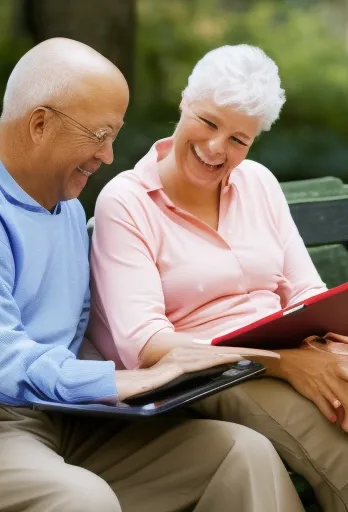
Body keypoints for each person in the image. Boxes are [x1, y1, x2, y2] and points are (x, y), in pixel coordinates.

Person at [0, 38, 304, 512]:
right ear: (40, 123)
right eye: (99, 135)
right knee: (81, 500)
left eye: (114, 136)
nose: (108, 156)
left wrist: (158, 379)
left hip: (46, 416)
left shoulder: (64, 208)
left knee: (238, 453)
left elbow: (74, 333)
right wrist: (110, 382)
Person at [87, 44, 348, 512]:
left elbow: (306, 292)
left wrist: (327, 350)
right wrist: (284, 362)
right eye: (208, 122)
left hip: (288, 353)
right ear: (184, 104)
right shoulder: (126, 202)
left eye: (238, 140)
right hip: (207, 378)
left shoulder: (260, 184)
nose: (215, 148)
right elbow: (146, 345)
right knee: (339, 446)